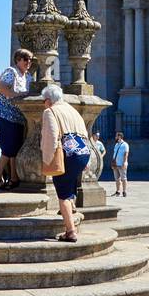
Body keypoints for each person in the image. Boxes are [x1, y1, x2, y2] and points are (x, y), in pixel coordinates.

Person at [40, 84, 90, 241]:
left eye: (44, 101)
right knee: (70, 186)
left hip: (67, 155)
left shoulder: (50, 111)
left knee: (63, 192)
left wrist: (47, 159)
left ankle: (70, 231)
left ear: (48, 100)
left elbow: (51, 136)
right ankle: (71, 210)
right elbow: (84, 133)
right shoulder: (72, 110)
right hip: (83, 153)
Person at [0, 49, 32, 190]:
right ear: (18, 60)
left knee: (15, 147)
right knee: (9, 148)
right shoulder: (11, 72)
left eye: (30, 59)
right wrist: (16, 95)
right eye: (25, 59)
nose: (28, 62)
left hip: (18, 117)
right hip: (4, 114)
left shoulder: (28, 76)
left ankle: (14, 178)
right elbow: (1, 88)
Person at [111, 132, 129, 196]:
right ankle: (118, 191)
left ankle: (124, 191)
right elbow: (114, 154)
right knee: (117, 179)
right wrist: (112, 163)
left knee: (123, 178)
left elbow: (126, 154)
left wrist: (125, 162)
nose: (115, 137)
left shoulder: (125, 145)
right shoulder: (116, 145)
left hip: (121, 164)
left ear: (120, 137)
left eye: (116, 136)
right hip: (115, 164)